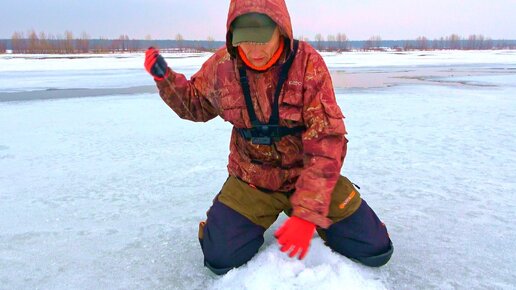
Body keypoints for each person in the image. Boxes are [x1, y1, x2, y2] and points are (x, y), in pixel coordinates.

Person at [144, 0, 393, 275]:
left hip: (306, 174)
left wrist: (308, 212)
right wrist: (165, 78)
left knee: (376, 250)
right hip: (252, 180)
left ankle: (330, 224)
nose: (254, 49)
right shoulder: (222, 66)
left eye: (262, 39)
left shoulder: (307, 64)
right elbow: (195, 105)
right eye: (245, 40)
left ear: (281, 30)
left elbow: (327, 140)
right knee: (219, 258)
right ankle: (228, 225)